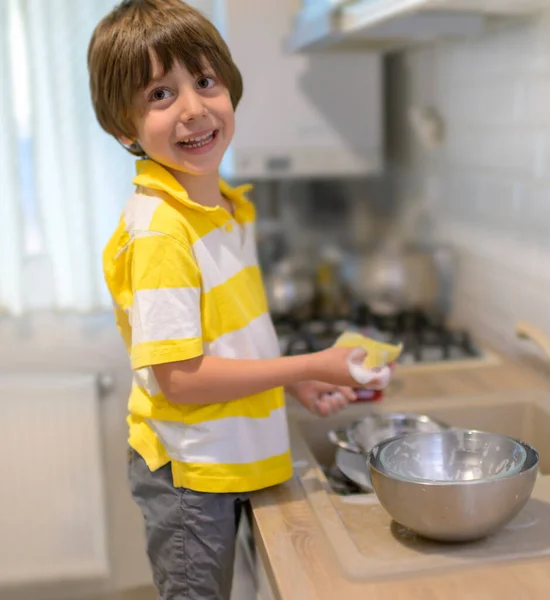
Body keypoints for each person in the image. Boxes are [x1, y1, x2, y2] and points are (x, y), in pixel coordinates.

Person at [87, 1, 390, 598]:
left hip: (225, 457)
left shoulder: (220, 204)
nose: (194, 108)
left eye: (204, 81)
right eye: (160, 94)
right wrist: (310, 364)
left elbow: (231, 340)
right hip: (192, 477)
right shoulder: (161, 232)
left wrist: (291, 384)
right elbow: (179, 377)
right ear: (124, 129)